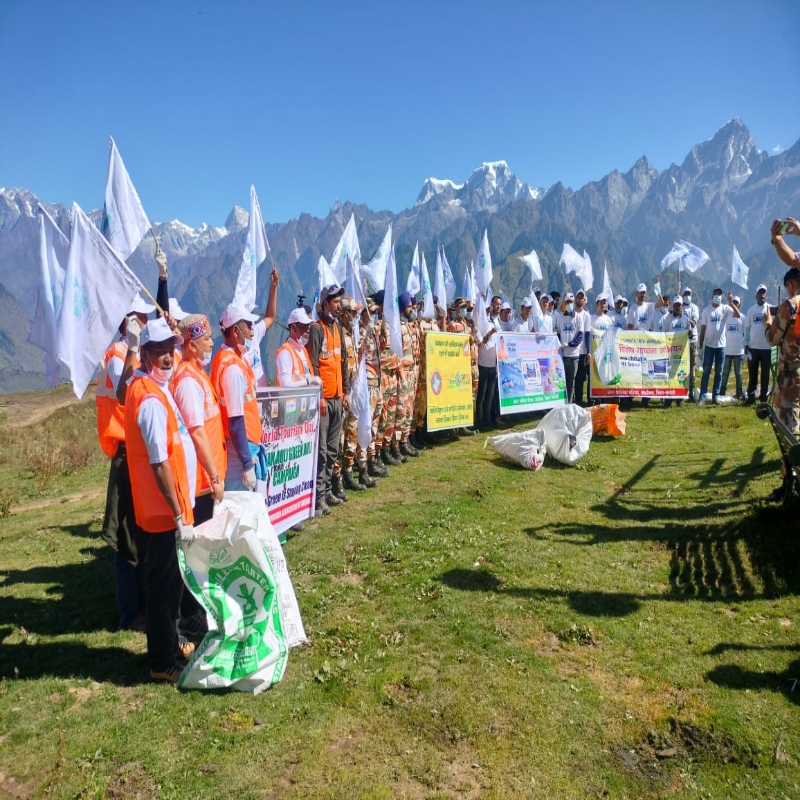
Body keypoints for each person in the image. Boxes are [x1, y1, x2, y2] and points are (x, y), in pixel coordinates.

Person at [124, 318, 197, 683]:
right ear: (148, 354)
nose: (170, 357)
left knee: (167, 587)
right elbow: (159, 463)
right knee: (166, 591)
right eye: (162, 352)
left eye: (172, 350)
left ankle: (168, 650)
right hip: (162, 514)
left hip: (158, 512)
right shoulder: (150, 400)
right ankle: (162, 663)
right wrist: (177, 512)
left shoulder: (143, 385)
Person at [96, 295, 153, 631]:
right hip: (124, 450)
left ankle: (139, 604)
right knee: (126, 533)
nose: (145, 323)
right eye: (141, 318)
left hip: (132, 448)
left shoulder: (124, 352)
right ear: (129, 320)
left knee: (137, 528)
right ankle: (130, 613)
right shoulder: (121, 356)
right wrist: (134, 349)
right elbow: (127, 393)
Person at [172, 314, 226, 525]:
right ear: (192, 346)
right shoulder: (188, 381)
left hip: (208, 478)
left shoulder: (198, 373)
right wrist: (214, 477)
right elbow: (196, 432)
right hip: (201, 483)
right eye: (207, 338)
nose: (212, 342)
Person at [306, 284, 349, 516]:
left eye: (338, 301)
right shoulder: (316, 329)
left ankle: (327, 489)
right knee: (321, 451)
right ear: (325, 304)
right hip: (323, 401)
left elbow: (343, 361)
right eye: (334, 301)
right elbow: (313, 364)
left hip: (337, 397)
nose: (338, 304)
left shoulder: (338, 328)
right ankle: (318, 497)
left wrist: (347, 391)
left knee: (333, 450)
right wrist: (319, 395)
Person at [210, 305, 263, 492]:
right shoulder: (232, 369)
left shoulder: (234, 359)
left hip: (241, 446)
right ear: (235, 330)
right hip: (238, 450)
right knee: (238, 508)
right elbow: (235, 420)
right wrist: (247, 464)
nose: (252, 330)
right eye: (248, 325)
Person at [698, 288, 741, 403]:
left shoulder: (725, 309)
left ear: (722, 297)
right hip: (709, 346)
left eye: (719, 295)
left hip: (721, 346)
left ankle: (715, 396)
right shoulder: (706, 311)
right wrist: (700, 347)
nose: (717, 296)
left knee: (719, 372)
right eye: (715, 294)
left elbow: (737, 314)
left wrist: (731, 302)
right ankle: (702, 395)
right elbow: (702, 330)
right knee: (706, 371)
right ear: (712, 296)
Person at [659, 296, 695, 407]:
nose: (677, 307)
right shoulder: (667, 319)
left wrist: (689, 334)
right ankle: (668, 399)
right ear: (672, 306)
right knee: (669, 374)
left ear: (681, 306)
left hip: (682, 353)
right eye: (675, 305)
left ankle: (680, 399)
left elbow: (690, 334)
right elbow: (664, 335)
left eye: (679, 305)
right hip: (670, 352)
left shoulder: (685, 318)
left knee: (681, 375)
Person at [394, 291, 418, 459]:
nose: (412, 309)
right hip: (403, 374)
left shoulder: (409, 326)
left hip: (412, 374)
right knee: (401, 411)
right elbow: (397, 355)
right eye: (409, 306)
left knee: (409, 410)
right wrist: (402, 375)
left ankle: (405, 440)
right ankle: (395, 446)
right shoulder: (398, 328)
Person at [247, 267, 280, 387]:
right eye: (247, 322)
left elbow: (270, 317)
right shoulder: (233, 353)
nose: (251, 325)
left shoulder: (254, 333)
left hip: (262, 398)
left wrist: (273, 287)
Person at [475, 295, 502, 430]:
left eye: (499, 304)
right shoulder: (481, 324)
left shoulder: (496, 323)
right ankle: (479, 421)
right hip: (483, 365)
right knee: (481, 396)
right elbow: (479, 344)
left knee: (490, 396)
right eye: (496, 304)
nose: (498, 306)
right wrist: (490, 333)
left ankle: (488, 419)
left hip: (493, 366)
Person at [744, 284, 773, 404]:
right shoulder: (751, 310)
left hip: (767, 348)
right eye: (760, 293)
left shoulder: (771, 309)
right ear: (756, 295)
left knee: (765, 375)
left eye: (763, 292)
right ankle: (750, 398)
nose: (762, 295)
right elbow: (747, 328)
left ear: (766, 295)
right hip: (753, 348)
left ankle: (763, 398)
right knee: (753, 374)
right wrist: (746, 344)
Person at [555, 292, 585, 404]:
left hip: (573, 356)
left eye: (571, 302)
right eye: (567, 302)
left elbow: (580, 336)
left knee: (571, 382)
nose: (569, 304)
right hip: (562, 356)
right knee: (561, 382)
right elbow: (557, 333)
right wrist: (560, 344)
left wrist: (569, 344)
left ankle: (569, 404)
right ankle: (562, 403)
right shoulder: (561, 318)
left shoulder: (578, 318)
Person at [720, 296, 745, 401]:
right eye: (733, 302)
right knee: (725, 373)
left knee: (738, 373)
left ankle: (739, 393)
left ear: (739, 305)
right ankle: (721, 392)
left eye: (736, 303)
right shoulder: (727, 317)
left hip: (738, 351)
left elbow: (746, 333)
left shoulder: (743, 318)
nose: (734, 304)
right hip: (727, 351)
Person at [682, 288, 701, 401]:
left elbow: (694, 323)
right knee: (681, 367)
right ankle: (682, 390)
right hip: (681, 341)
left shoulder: (694, 308)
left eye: (689, 294)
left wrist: (684, 318)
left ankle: (691, 392)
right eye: (685, 294)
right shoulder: (680, 306)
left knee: (692, 367)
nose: (687, 296)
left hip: (693, 340)